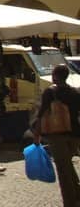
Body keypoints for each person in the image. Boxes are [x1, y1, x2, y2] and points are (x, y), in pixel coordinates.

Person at [32, 63, 80, 206]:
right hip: (75, 134)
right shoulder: (76, 92)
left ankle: (70, 202)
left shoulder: (51, 92)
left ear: (55, 76)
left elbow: (41, 114)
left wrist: (37, 134)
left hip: (57, 134)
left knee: (63, 169)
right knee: (67, 164)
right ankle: (77, 193)